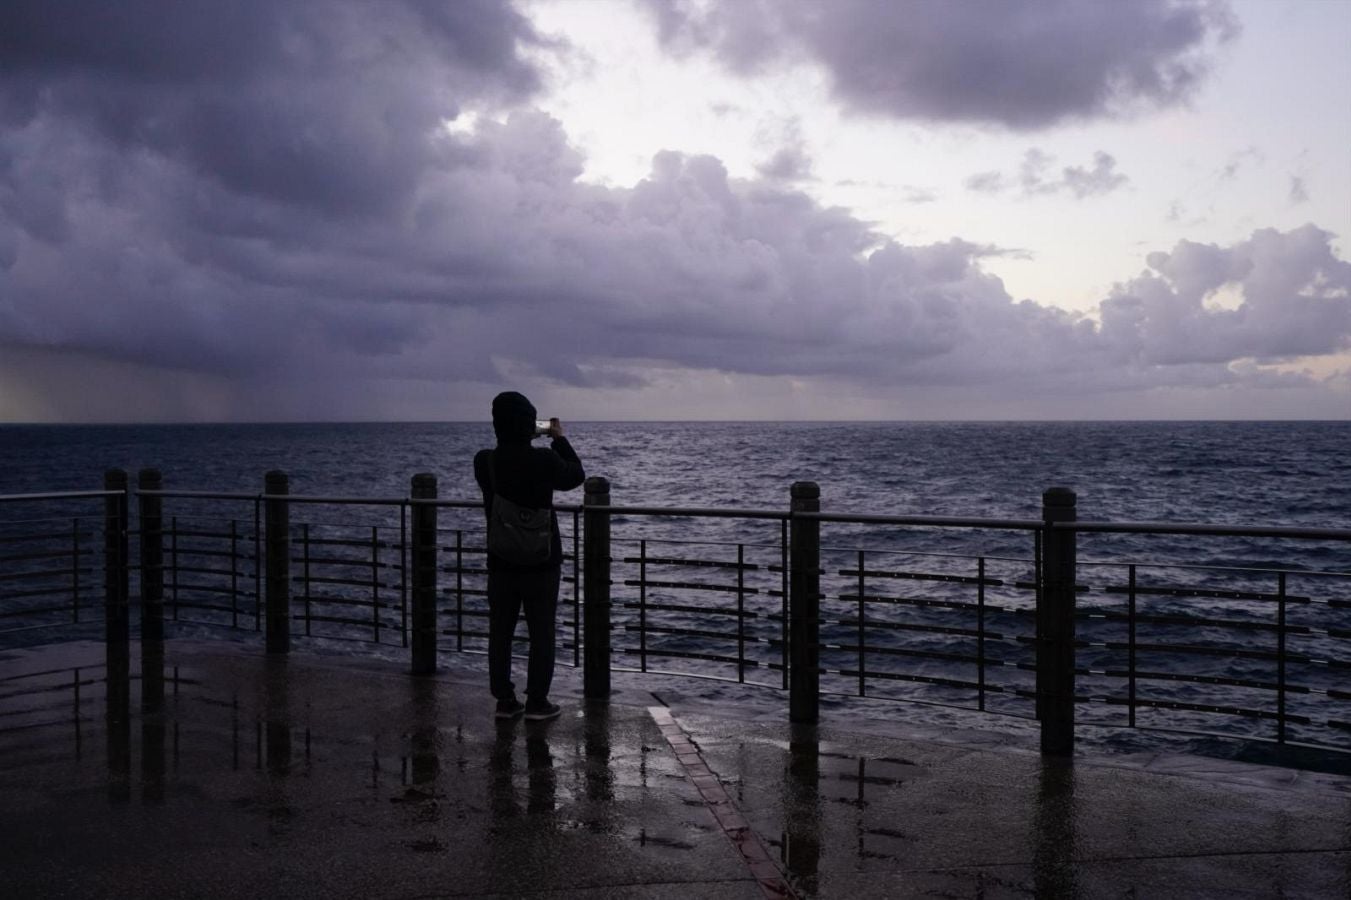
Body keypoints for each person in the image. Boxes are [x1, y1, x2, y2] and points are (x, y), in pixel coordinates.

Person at [474, 391, 585, 721]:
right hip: (541, 560)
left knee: (501, 631)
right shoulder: (544, 461)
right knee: (541, 632)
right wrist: (558, 438)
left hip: (501, 559)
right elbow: (575, 475)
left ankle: (504, 700)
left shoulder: (485, 461)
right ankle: (537, 700)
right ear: (529, 426)